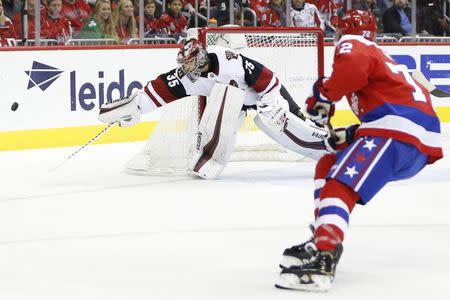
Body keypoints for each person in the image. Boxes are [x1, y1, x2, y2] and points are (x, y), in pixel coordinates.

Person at [275, 9, 443, 292]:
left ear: (342, 31)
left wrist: (324, 94)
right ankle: (323, 239)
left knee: (338, 185)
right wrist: (350, 134)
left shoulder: (354, 44)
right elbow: (385, 106)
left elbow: (351, 65)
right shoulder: (384, 60)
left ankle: (324, 259)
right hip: (413, 143)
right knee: (329, 163)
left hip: (396, 132)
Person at [96, 28, 334, 179]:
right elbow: (159, 89)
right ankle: (210, 158)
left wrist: (274, 104)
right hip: (236, 103)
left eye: (191, 64)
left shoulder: (229, 59)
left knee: (280, 122)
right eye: (184, 65)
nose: (187, 69)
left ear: (201, 57)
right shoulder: (187, 78)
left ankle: (328, 148)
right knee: (224, 102)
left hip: (265, 95)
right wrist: (136, 107)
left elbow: (267, 78)